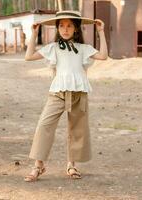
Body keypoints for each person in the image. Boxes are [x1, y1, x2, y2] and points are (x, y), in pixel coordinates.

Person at [24, 10, 108, 182]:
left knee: (77, 130)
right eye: (61, 25)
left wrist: (101, 32)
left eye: (69, 25)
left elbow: (103, 56)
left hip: (79, 93)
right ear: (57, 28)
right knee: (44, 125)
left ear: (76, 29)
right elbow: (29, 56)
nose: (65, 29)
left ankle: (71, 164)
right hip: (58, 93)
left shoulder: (83, 49)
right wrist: (33, 34)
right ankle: (38, 166)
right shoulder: (53, 48)